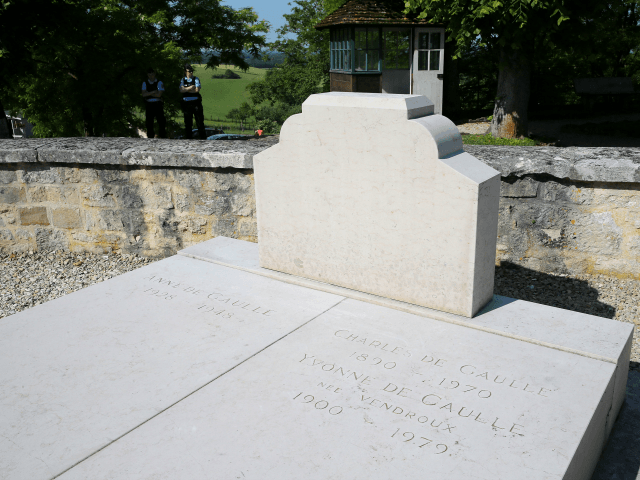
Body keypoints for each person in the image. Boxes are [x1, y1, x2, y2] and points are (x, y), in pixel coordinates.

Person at [179, 64, 206, 139]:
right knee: (188, 123)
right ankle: (188, 139)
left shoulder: (196, 79)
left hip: (196, 103)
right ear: (185, 72)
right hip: (186, 104)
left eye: (191, 71)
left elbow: (197, 90)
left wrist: (186, 89)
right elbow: (181, 90)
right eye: (189, 71)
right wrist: (191, 87)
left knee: (199, 122)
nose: (190, 73)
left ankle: (203, 139)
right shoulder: (183, 80)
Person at [141, 68, 166, 138]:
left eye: (152, 73)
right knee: (149, 122)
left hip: (158, 104)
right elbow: (143, 94)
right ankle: (150, 137)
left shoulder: (159, 82)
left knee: (161, 121)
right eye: (149, 73)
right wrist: (153, 92)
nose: (151, 75)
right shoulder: (144, 83)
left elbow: (159, 95)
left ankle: (162, 136)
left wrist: (148, 93)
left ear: (154, 74)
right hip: (149, 104)